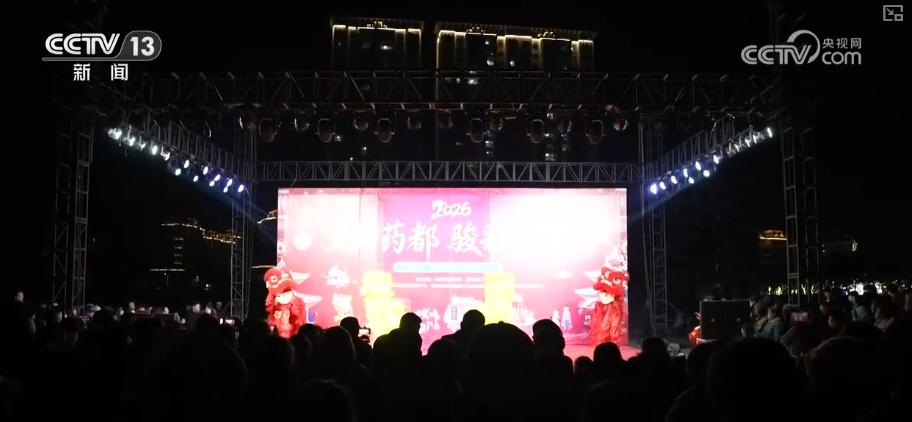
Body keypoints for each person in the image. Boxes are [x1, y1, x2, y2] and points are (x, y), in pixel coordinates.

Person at [590, 268, 627, 346]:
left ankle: (612, 343)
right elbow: (596, 286)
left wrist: (605, 285)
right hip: (602, 306)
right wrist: (604, 285)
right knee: (601, 325)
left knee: (613, 326)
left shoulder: (615, 280)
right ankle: (602, 342)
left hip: (613, 307)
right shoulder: (602, 280)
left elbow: (616, 291)